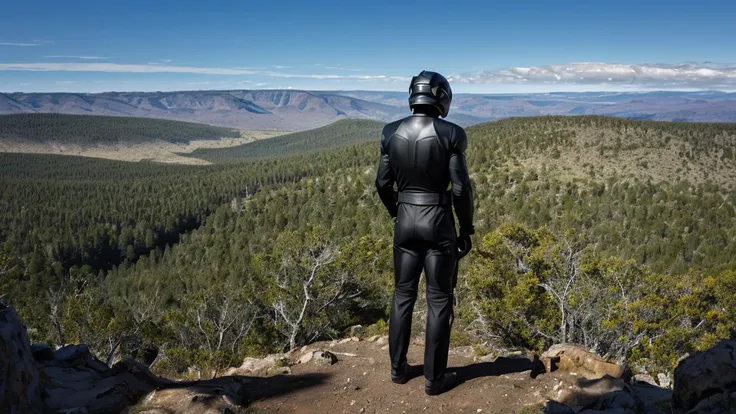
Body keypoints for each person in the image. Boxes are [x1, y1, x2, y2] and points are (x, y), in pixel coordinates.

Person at [375, 70, 475, 396]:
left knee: (402, 296)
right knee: (438, 301)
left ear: (413, 95)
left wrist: (396, 212)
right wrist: (466, 228)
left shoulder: (390, 132)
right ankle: (434, 380)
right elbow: (460, 188)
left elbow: (381, 183)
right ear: (441, 97)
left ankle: (397, 370)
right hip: (438, 223)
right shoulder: (452, 134)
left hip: (405, 222)